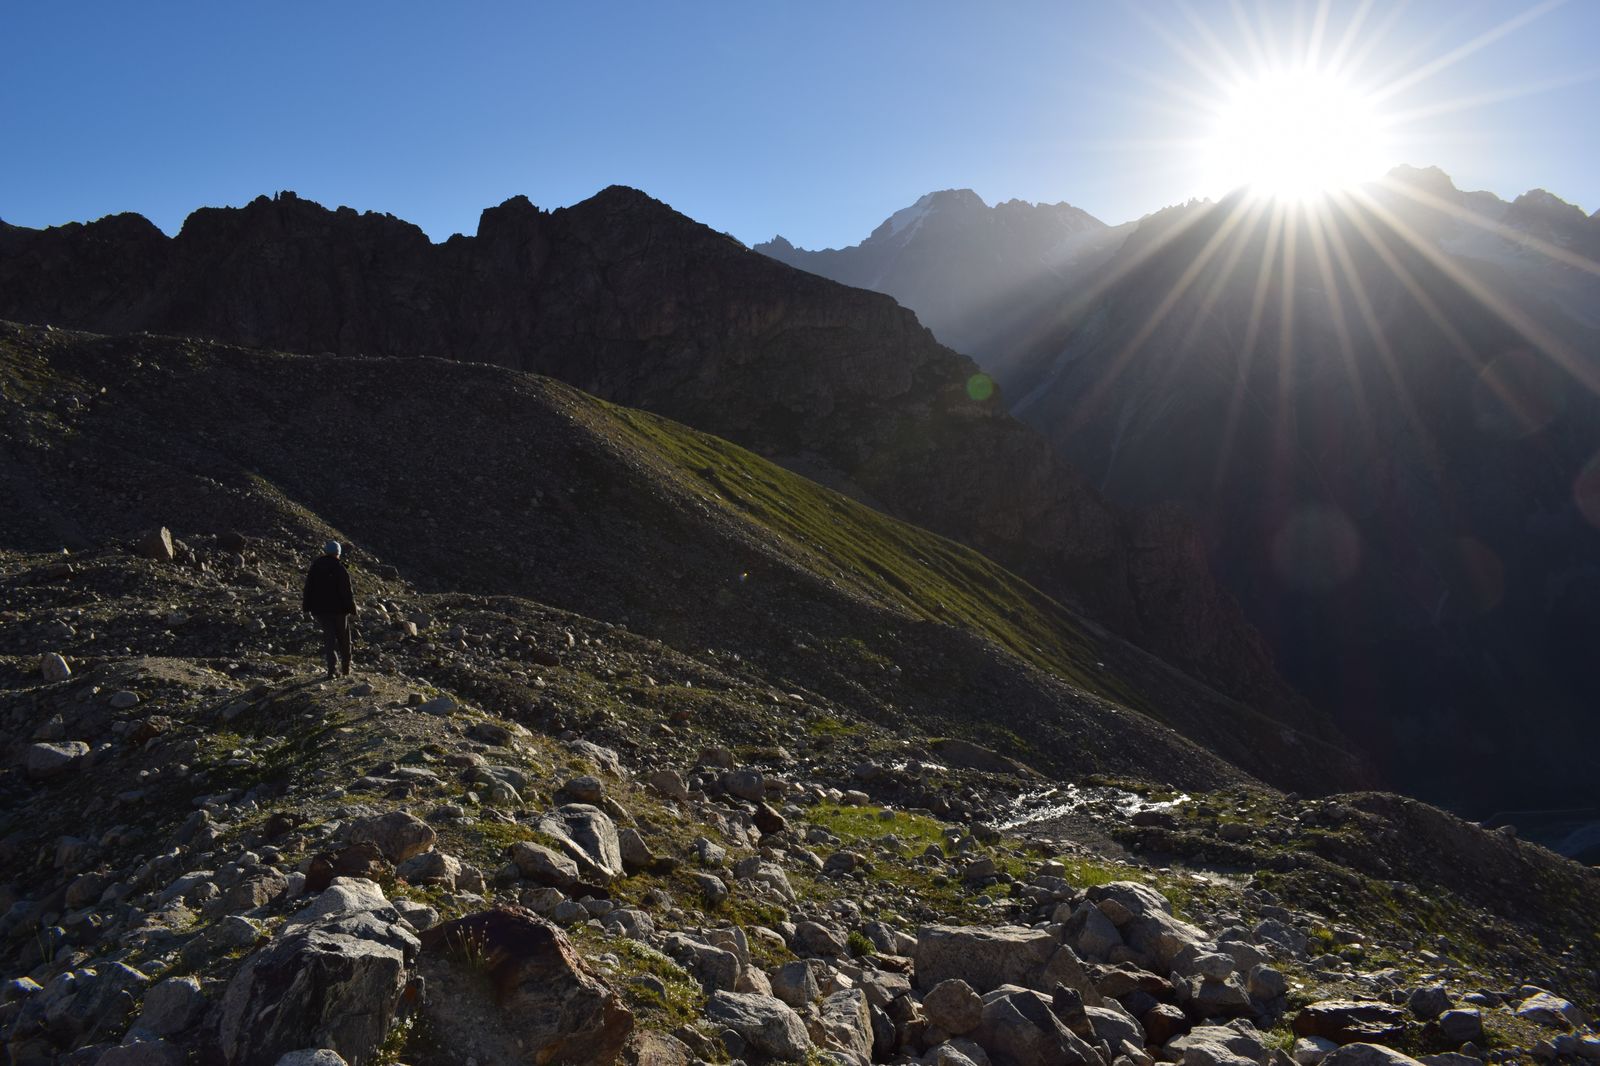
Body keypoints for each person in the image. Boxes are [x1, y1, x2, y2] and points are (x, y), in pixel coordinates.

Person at [302, 540, 358, 679]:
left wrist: (306, 607)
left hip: (320, 610)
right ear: (338, 553)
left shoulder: (315, 567)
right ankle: (345, 669)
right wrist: (352, 609)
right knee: (344, 638)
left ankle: (331, 670)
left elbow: (308, 588)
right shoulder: (340, 568)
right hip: (339, 611)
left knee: (329, 639)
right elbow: (347, 591)